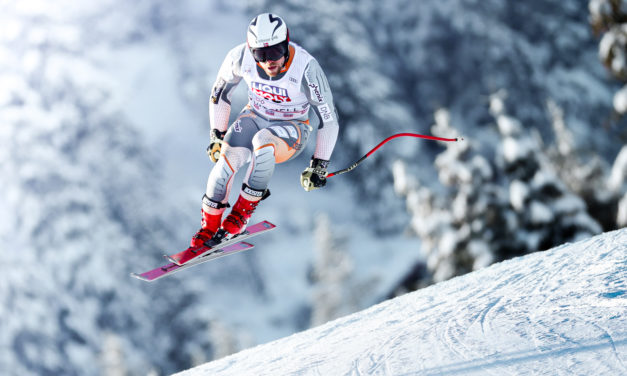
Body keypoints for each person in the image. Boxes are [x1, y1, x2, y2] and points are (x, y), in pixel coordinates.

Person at [190, 12, 340, 246]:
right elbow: (219, 94)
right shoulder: (239, 57)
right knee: (226, 160)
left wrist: (319, 164)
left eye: (276, 52)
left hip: (293, 128)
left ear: (287, 44)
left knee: (263, 139)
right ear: (251, 51)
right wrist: (217, 135)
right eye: (261, 54)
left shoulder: (305, 68)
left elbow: (328, 119)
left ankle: (240, 216)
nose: (269, 60)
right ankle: (208, 228)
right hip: (255, 116)